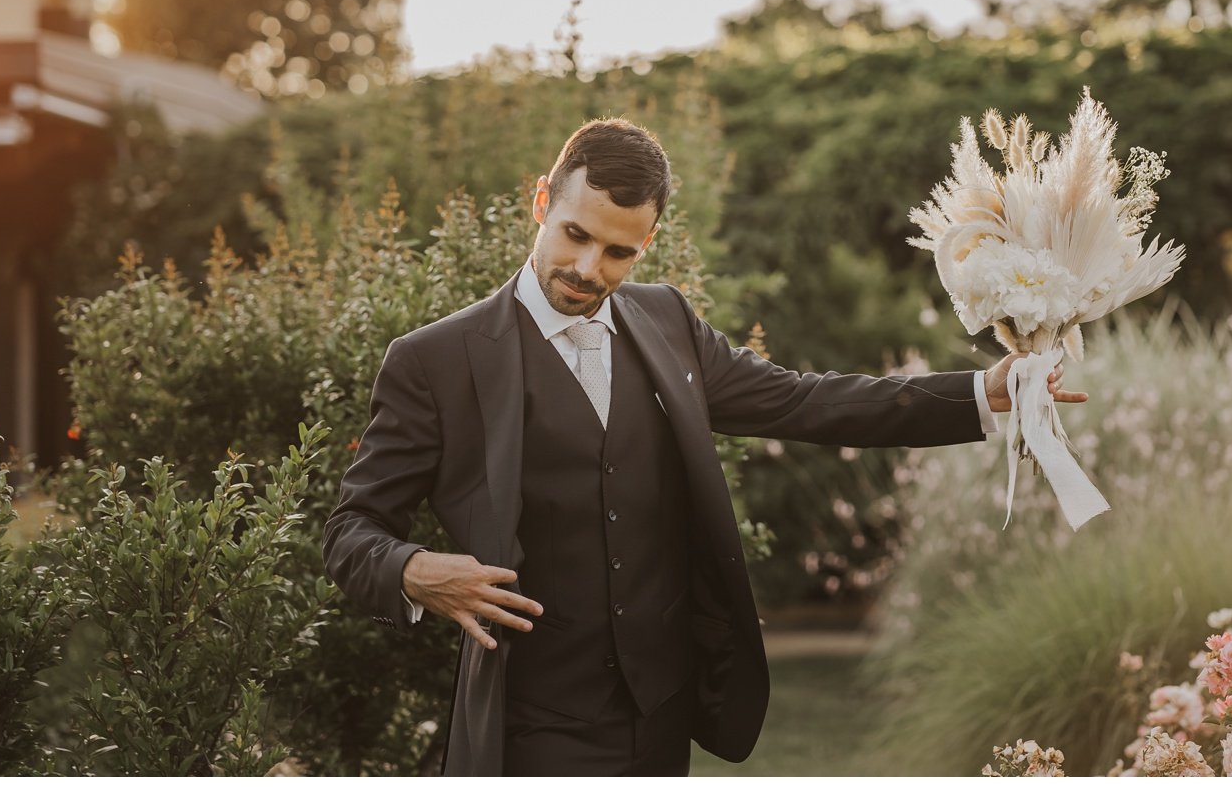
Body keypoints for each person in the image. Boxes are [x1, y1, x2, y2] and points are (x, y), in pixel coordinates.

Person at [324, 118, 1077, 774]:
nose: (588, 270)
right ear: (541, 204)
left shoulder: (667, 322)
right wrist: (415, 571)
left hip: (662, 712)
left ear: (647, 243)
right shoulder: (434, 360)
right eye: (575, 236)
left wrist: (985, 391)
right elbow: (350, 534)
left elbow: (802, 400)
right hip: (535, 721)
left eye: (618, 253)